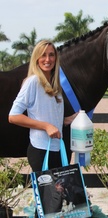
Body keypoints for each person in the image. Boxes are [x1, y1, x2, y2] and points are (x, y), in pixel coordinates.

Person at [8, 39, 76, 172]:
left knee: (58, 193)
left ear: (56, 58)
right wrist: (46, 126)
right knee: (46, 193)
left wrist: (67, 120)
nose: (47, 59)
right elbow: (13, 116)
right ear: (36, 58)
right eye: (43, 55)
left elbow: (44, 113)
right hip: (41, 150)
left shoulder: (55, 85)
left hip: (57, 148)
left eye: (51, 55)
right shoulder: (32, 82)